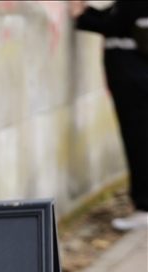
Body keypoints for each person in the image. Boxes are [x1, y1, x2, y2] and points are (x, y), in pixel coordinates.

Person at [71, 0, 148, 230]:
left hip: (133, 78)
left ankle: (145, 207)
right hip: (133, 77)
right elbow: (115, 15)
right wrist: (88, 10)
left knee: (139, 141)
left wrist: (79, 16)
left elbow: (114, 25)